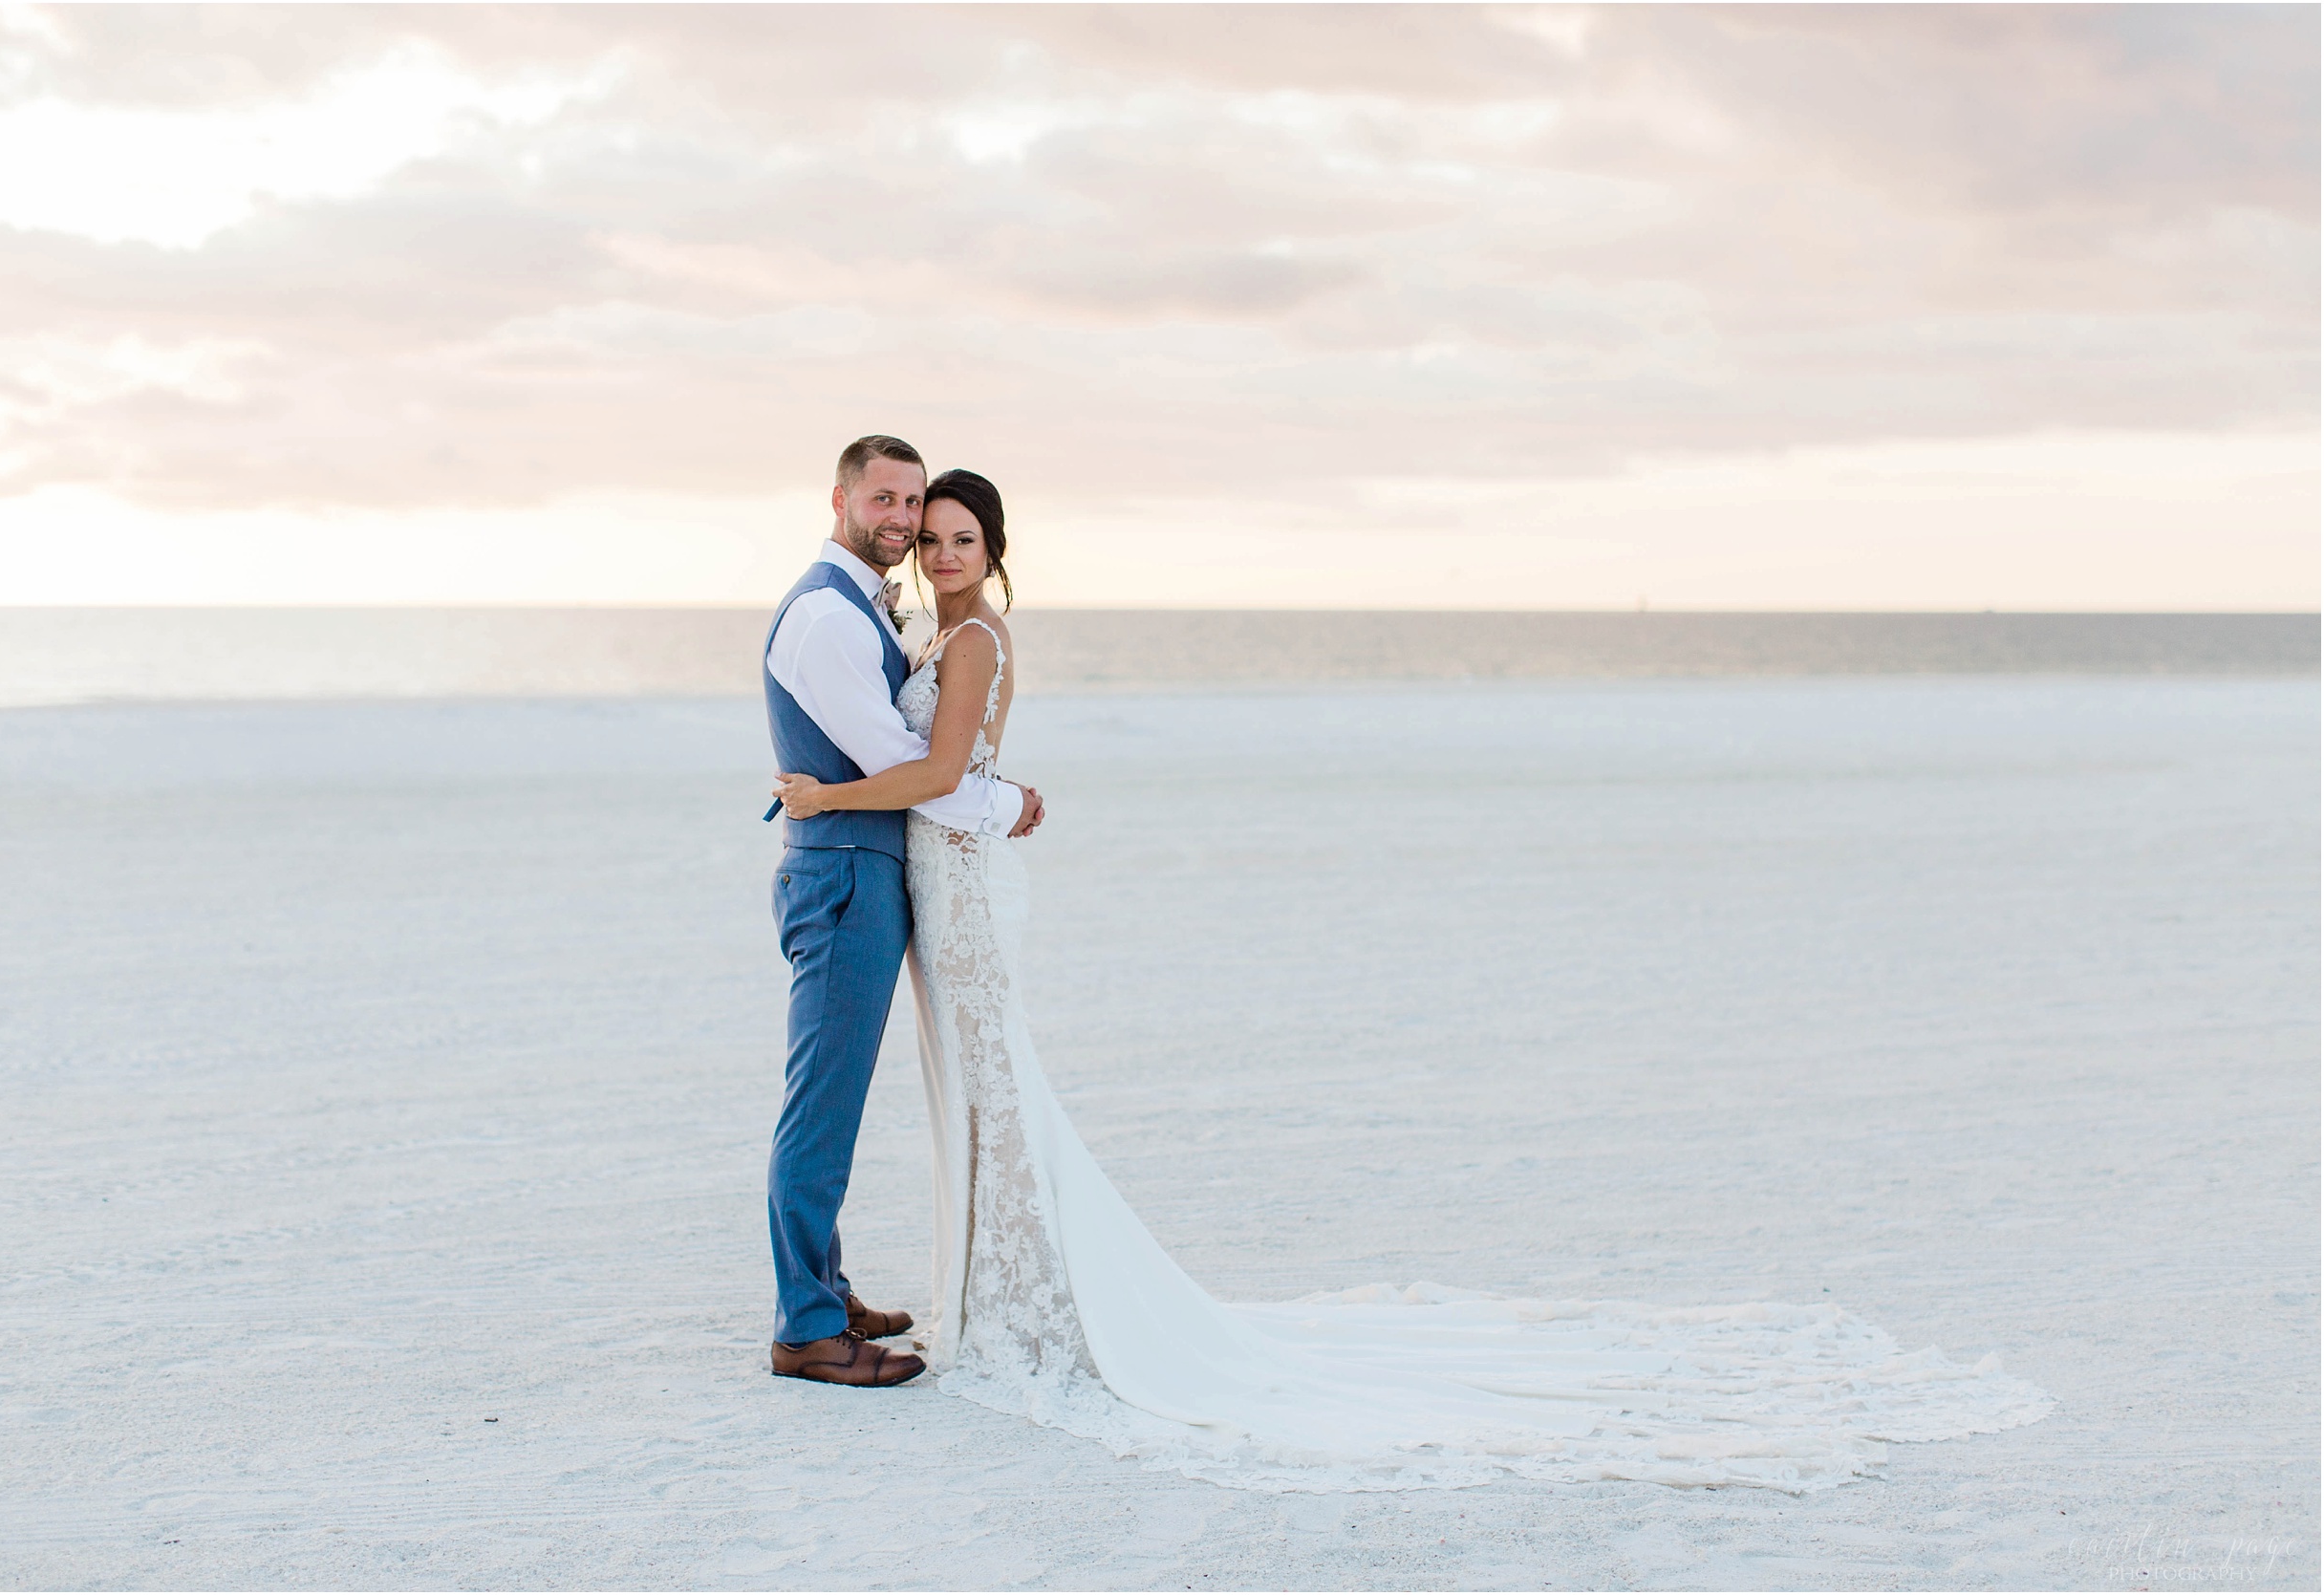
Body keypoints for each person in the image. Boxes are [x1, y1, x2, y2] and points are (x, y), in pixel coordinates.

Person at [772, 466, 2054, 1490]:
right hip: (938, 879)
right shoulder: (911, 625)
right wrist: (989, 796)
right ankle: (969, 1292)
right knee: (972, 1092)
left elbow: (939, 774)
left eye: (954, 536)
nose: (936, 551)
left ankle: (1027, 1306)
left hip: (961, 889)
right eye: (921, 531)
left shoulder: (976, 637)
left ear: (993, 552)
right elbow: (957, 773)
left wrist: (837, 793)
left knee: (999, 1088)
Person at [759, 436, 1043, 1389]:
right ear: (837, 499)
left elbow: (923, 764)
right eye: (884, 498)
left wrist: (992, 791)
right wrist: (1009, 804)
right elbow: (909, 769)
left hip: (873, 873)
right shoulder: (829, 620)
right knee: (824, 1103)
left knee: (837, 1096)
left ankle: (823, 1290)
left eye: (912, 502)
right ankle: (805, 1323)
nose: (904, 519)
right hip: (843, 877)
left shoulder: (881, 615)